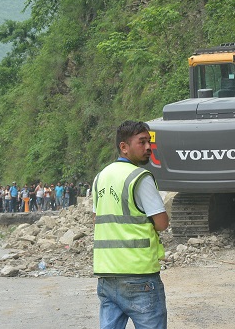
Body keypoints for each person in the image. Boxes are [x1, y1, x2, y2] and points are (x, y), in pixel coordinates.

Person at [92, 120, 168, 329]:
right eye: (142, 142)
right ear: (123, 147)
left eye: (149, 142)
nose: (148, 148)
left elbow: (97, 219)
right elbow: (161, 223)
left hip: (107, 276)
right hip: (139, 276)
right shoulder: (140, 178)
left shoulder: (100, 177)